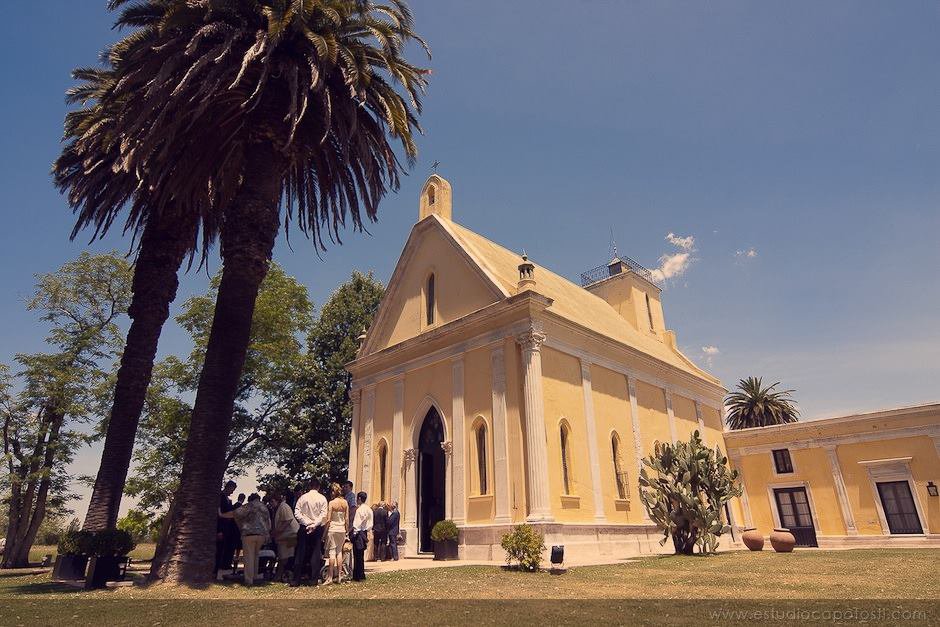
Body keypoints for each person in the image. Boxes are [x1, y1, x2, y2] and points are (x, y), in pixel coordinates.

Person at [220, 493, 270, 586]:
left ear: (250, 499)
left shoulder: (249, 506)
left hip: (249, 534)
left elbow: (235, 513)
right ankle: (255, 576)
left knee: (249, 557)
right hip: (262, 535)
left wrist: (221, 514)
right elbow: (268, 522)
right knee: (256, 556)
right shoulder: (264, 508)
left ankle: (249, 580)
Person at [291, 479, 327, 587]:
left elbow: (297, 512)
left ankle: (296, 579)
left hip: (304, 527)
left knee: (300, 553)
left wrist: (306, 522)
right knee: (315, 553)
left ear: (309, 486)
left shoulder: (303, 498)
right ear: (318, 487)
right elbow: (323, 514)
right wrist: (314, 524)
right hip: (317, 528)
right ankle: (313, 579)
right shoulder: (322, 498)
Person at [270, 491, 299, 581]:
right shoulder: (279, 508)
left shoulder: (284, 507)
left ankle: (280, 575)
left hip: (290, 535)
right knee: (283, 556)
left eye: (272, 501)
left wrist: (277, 531)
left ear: (277, 500)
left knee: (284, 556)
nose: (271, 504)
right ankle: (281, 574)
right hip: (284, 535)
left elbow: (288, 521)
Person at [324, 483, 349, 585]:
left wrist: (324, 532)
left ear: (333, 492)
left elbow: (328, 519)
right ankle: (339, 576)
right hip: (342, 529)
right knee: (339, 552)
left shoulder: (331, 503)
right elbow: (347, 519)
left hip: (333, 529)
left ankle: (330, 577)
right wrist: (347, 530)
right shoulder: (345, 503)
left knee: (332, 553)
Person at [216, 480, 238, 579]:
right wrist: (219, 530)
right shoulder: (221, 497)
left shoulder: (228, 499)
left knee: (222, 550)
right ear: (228, 487)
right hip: (221, 527)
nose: (232, 492)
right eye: (232, 489)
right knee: (218, 550)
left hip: (227, 528)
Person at [350, 492, 372, 581]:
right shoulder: (369, 509)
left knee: (357, 554)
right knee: (361, 554)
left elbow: (357, 523)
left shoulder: (359, 510)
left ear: (359, 498)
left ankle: (357, 575)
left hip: (359, 532)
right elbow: (370, 523)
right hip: (365, 532)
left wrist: (354, 534)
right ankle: (361, 574)